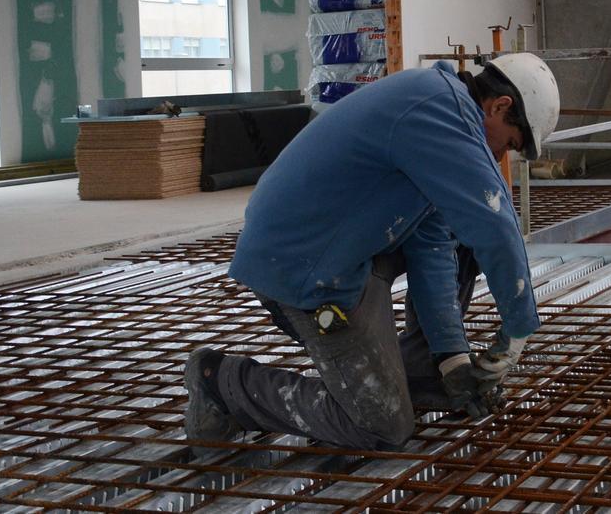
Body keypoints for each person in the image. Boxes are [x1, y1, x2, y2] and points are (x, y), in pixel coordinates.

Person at [183, 53, 560, 453]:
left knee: (460, 243)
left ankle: (421, 371)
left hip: (343, 252)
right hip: (305, 269)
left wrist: (451, 356)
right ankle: (220, 381)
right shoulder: (438, 110)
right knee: (381, 427)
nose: (502, 156)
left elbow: (433, 246)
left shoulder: (438, 112)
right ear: (499, 106)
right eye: (510, 143)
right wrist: (518, 328)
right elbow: (493, 221)